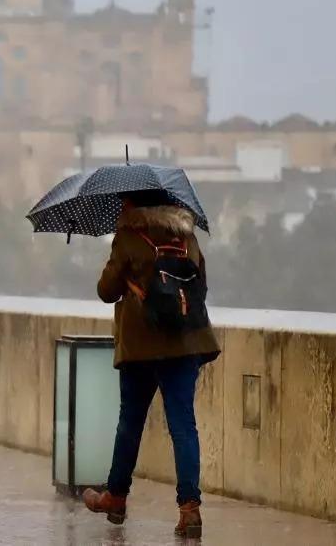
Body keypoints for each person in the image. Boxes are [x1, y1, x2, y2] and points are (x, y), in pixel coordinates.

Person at [83, 190, 221, 539]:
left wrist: (130, 273)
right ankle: (189, 509)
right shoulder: (185, 234)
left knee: (130, 422)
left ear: (132, 203)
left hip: (141, 346)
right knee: (183, 426)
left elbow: (105, 290)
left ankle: (116, 497)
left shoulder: (128, 236)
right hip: (186, 342)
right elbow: (200, 284)